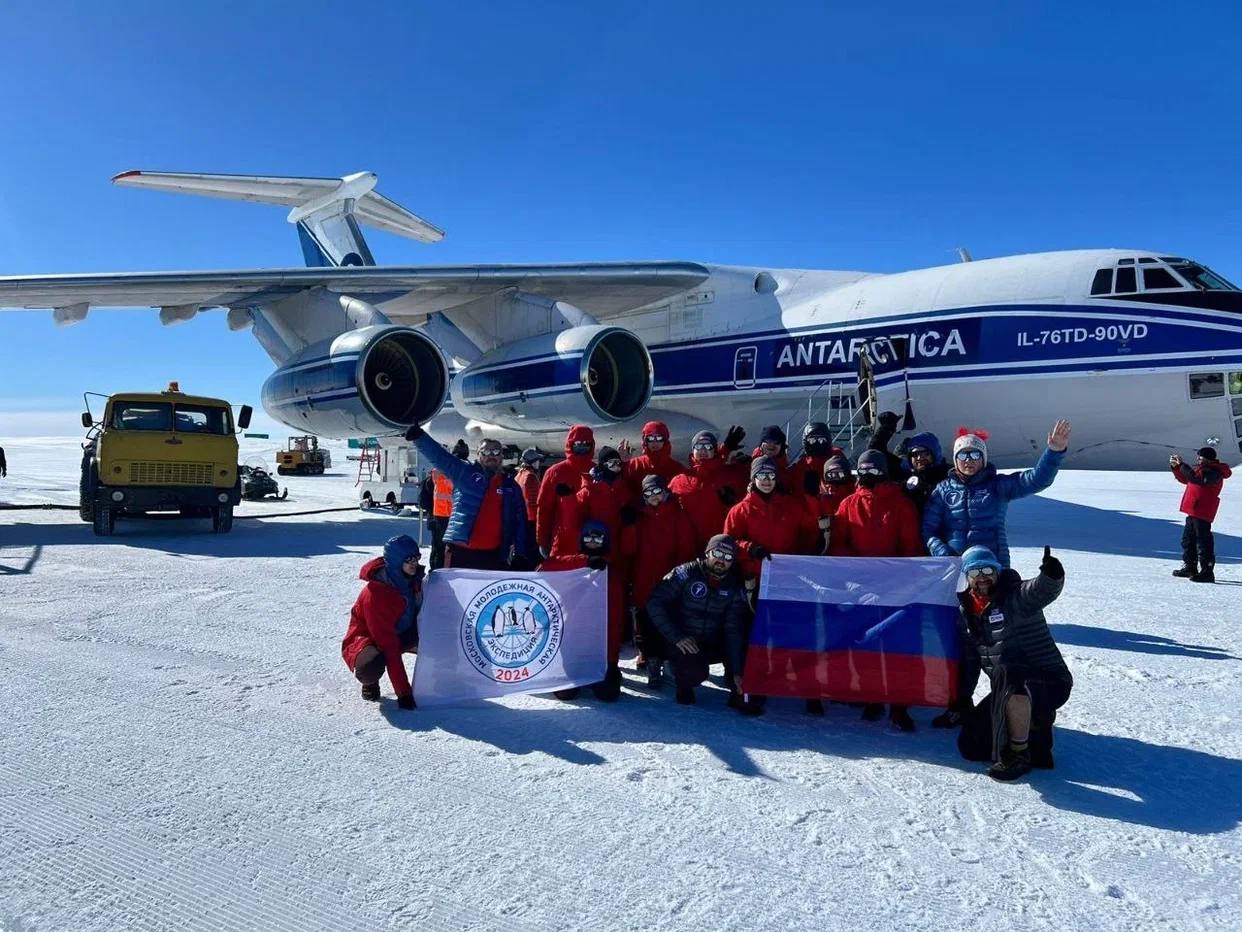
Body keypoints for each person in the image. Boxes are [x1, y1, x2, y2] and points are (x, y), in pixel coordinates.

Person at [955, 545, 1073, 782]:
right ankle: (1032, 727)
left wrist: (1051, 575)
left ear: (997, 572)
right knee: (971, 746)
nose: (982, 577)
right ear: (967, 578)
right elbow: (970, 661)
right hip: (1008, 688)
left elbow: (1039, 590)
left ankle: (1019, 753)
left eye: (987, 570)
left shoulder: (1015, 596)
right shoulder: (968, 612)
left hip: (1049, 682)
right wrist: (960, 700)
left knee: (1008, 670)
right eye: (975, 572)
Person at [828, 449, 924, 730]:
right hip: (859, 585)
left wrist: (898, 579)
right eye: (864, 470)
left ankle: (899, 703)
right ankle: (870, 695)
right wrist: (854, 576)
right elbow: (838, 543)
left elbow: (911, 547)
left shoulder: (901, 504)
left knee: (897, 645)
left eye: (873, 471)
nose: (868, 476)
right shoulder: (848, 503)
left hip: (894, 585)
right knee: (864, 640)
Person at [923, 419, 1072, 568]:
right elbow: (929, 529)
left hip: (993, 565)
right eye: (962, 455)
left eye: (975, 455)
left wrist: (1054, 452)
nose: (969, 460)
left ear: (983, 459)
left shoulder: (997, 485)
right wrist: (942, 553)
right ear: (955, 461)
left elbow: (1036, 480)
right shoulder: (943, 490)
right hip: (954, 566)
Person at [645, 534, 758, 713]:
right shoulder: (687, 572)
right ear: (708, 553)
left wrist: (737, 670)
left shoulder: (734, 586)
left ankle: (738, 690)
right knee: (693, 672)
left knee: (743, 641)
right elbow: (654, 602)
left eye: (728, 557)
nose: (722, 560)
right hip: (684, 638)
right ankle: (682, 682)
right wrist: (676, 636)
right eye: (718, 554)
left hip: (712, 639)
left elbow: (733, 628)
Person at [405, 427, 528, 569]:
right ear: (479, 455)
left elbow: (520, 522)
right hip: (461, 552)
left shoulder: (511, 486)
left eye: (496, 451)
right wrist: (420, 438)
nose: (491, 455)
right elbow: (441, 457)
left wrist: (520, 554)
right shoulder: (465, 474)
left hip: (493, 555)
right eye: (486, 452)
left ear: (501, 456)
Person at [622, 473, 699, 687]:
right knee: (646, 623)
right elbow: (629, 549)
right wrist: (628, 527)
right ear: (643, 497)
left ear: (665, 492)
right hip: (644, 578)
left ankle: (670, 659)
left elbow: (686, 548)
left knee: (670, 619)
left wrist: (681, 578)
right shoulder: (639, 517)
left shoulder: (678, 515)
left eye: (658, 491)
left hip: (670, 580)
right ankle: (653, 660)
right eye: (649, 493)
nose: (654, 497)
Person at [540, 519, 626, 701]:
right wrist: (584, 561)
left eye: (598, 539)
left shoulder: (612, 571)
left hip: (600, 650)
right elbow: (544, 568)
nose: (593, 542)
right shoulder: (571, 564)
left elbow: (614, 622)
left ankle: (610, 673)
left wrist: (611, 660)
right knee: (565, 694)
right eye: (588, 538)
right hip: (574, 647)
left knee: (608, 695)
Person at [341, 535, 424, 709]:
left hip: (402, 632)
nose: (414, 563)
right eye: (408, 559)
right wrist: (404, 693)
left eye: (416, 557)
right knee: (372, 664)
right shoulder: (376, 595)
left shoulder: (413, 579)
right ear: (395, 561)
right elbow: (388, 644)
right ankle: (369, 682)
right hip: (369, 641)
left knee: (437, 637)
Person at [724, 455, 821, 586]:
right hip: (756, 576)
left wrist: (812, 498)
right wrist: (750, 549)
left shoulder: (790, 505)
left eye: (771, 476)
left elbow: (812, 527)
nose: (767, 480)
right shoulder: (740, 510)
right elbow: (729, 543)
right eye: (762, 475)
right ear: (753, 478)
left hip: (788, 574)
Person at [1170, 447, 1231, 583]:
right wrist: (1176, 468)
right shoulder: (1202, 469)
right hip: (1193, 509)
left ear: (1208, 458)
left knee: (1203, 542)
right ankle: (1190, 566)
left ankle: (1207, 571)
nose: (1198, 459)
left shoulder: (1214, 471)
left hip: (1202, 510)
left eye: (1201, 457)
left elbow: (1196, 479)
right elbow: (1188, 479)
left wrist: (1182, 465)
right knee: (1188, 540)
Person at [669, 430, 737, 551]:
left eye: (708, 446)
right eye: (698, 446)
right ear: (693, 451)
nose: (703, 450)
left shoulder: (727, 476)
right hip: (687, 547)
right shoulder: (679, 480)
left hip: (718, 548)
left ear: (714, 450)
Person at [536, 425, 596, 559]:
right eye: (578, 444)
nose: (582, 447)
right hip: (562, 538)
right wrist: (542, 540)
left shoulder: (596, 472)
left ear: (591, 445)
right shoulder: (555, 472)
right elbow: (544, 509)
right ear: (570, 444)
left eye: (586, 444)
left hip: (592, 540)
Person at [897, 431, 951, 517]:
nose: (919, 458)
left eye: (924, 453)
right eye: (915, 454)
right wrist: (886, 429)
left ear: (934, 454)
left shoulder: (947, 476)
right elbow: (875, 459)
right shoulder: (906, 478)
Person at [623, 420, 685, 491]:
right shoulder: (634, 464)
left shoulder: (676, 468)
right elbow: (621, 486)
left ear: (665, 440)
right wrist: (624, 464)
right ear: (645, 441)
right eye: (650, 438)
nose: (655, 442)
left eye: (659, 438)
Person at [788, 422, 843, 496]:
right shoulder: (802, 466)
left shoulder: (837, 459)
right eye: (812, 440)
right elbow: (796, 494)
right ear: (806, 441)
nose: (817, 443)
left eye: (821, 439)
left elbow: (847, 487)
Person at [514, 447, 547, 561]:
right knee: (533, 550)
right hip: (531, 520)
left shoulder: (518, 475)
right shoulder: (531, 477)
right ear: (532, 462)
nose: (539, 463)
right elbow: (533, 501)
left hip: (521, 519)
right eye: (537, 461)